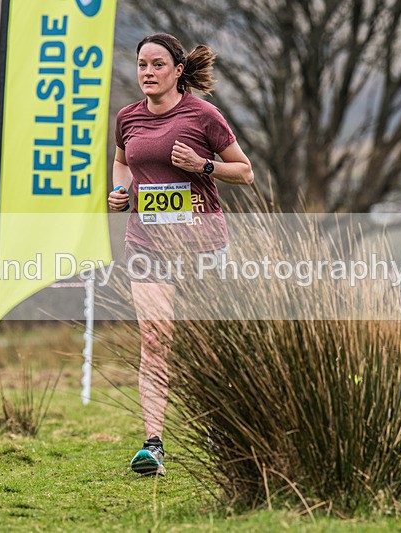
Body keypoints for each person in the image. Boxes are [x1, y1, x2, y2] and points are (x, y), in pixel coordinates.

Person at [107, 33, 254, 476]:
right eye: (141, 65)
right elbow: (121, 161)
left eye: (156, 65)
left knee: (209, 343)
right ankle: (154, 445)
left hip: (202, 245)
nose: (147, 73)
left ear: (176, 71)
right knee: (154, 342)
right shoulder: (128, 117)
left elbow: (245, 172)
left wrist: (202, 166)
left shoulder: (203, 115)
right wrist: (120, 192)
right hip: (146, 245)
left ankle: (220, 429)